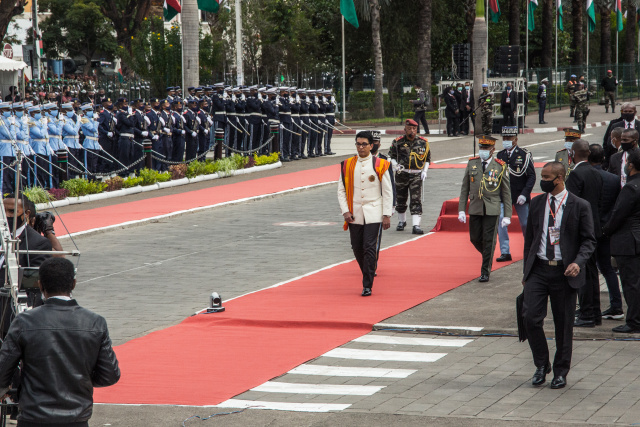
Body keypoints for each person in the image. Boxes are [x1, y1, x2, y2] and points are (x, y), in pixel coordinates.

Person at [0, 257, 120, 426]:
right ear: (73, 284)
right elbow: (110, 375)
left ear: (40, 285)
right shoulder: (94, 322)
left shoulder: (24, 322)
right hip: (76, 418)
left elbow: (3, 369)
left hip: (33, 417)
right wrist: (80, 379)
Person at [522, 161, 596, 389]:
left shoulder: (579, 205)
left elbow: (589, 240)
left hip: (565, 272)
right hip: (539, 269)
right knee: (530, 318)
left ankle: (561, 370)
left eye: (546, 177)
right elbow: (530, 240)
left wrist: (578, 262)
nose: (542, 180)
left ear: (560, 179)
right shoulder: (537, 203)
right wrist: (526, 271)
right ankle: (542, 365)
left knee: (564, 324)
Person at [337, 131, 393, 297]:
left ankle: (367, 284)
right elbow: (341, 190)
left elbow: (387, 191)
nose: (361, 147)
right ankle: (367, 271)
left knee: (369, 247)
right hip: (355, 212)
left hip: (374, 210)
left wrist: (386, 214)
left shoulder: (380, 164)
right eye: (358, 144)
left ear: (371, 145)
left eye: (364, 144)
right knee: (356, 247)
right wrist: (345, 211)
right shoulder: (347, 164)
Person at [458, 135, 511, 282]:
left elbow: (506, 192)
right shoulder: (472, 163)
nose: (483, 150)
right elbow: (464, 188)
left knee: (489, 239)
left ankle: (485, 271)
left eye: (486, 148)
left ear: (493, 149)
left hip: (492, 208)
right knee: (474, 238)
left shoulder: (500, 165)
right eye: (481, 147)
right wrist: (461, 209)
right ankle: (488, 255)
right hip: (475, 206)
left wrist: (507, 214)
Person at [565, 140, 603, 328]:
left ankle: (587, 314)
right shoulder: (595, 172)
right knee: (592, 273)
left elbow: (571, 207)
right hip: (594, 229)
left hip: (581, 231)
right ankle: (594, 312)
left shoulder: (576, 175)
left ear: (573, 153)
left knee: (583, 274)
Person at [602, 151, 640, 333]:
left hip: (629, 242)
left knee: (630, 284)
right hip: (635, 239)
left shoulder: (631, 188)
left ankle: (634, 321)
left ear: (631, 165)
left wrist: (605, 231)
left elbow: (618, 214)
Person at [589, 144, 623, 321]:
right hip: (607, 229)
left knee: (590, 270)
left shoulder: (586, 177)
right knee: (607, 269)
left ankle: (592, 307)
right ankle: (616, 306)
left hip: (590, 230)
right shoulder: (613, 179)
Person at [496, 126, 536, 262]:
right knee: (501, 221)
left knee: (525, 223)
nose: (506, 141)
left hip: (520, 195)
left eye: (509, 138)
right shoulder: (499, 155)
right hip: (504, 196)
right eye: (504, 138)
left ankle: (530, 249)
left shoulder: (524, 155)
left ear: (516, 139)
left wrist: (525, 194)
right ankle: (505, 251)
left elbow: (531, 176)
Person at [388, 119, 431, 234]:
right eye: (409, 129)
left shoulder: (423, 142)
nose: (412, 131)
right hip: (402, 173)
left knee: (415, 199)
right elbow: (391, 156)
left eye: (414, 129)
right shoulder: (398, 142)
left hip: (416, 174)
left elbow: (427, 159)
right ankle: (402, 221)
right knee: (401, 198)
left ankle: (416, 225)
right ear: (405, 129)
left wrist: (424, 171)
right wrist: (394, 164)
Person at [604, 103, 640, 170]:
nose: (627, 113)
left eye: (630, 111)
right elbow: (607, 143)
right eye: (625, 111)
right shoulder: (615, 125)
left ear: (635, 112)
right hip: (619, 160)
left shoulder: (639, 125)